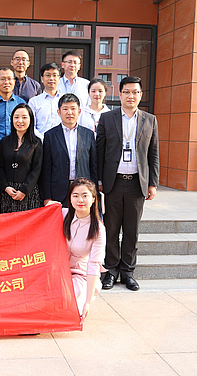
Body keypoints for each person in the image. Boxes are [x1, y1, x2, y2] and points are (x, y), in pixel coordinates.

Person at [96, 76, 159, 292]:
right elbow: (100, 151)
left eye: (135, 92)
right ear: (120, 94)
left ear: (140, 95)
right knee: (112, 229)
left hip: (136, 184)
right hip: (113, 183)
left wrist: (153, 183)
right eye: (126, 92)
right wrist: (99, 180)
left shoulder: (150, 120)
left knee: (132, 231)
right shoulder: (107, 118)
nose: (131, 96)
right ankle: (111, 271)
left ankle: (128, 273)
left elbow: (153, 154)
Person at [56, 178, 106, 323]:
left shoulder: (98, 230)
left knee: (68, 302)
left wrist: (88, 302)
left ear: (93, 199)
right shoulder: (62, 214)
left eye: (85, 195)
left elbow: (94, 266)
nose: (80, 200)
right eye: (75, 195)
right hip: (57, 270)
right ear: (70, 198)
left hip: (80, 275)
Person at [41, 93, 97, 207]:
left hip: (83, 190)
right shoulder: (50, 135)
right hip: (58, 191)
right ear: (59, 112)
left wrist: (94, 192)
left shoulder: (88, 134)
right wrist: (47, 197)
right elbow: (46, 168)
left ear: (79, 112)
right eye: (65, 109)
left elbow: (93, 166)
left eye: (73, 109)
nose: (69, 112)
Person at [0, 104, 43, 213]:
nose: (20, 121)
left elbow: (36, 169)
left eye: (24, 117)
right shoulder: (4, 142)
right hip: (8, 192)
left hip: (28, 192)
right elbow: (0, 166)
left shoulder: (36, 143)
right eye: (16, 117)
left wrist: (24, 190)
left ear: (30, 120)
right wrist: (5, 187)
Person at [28, 63, 63, 137]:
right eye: (48, 75)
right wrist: (43, 139)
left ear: (59, 79)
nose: (51, 78)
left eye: (54, 75)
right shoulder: (34, 102)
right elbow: (31, 126)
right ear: (42, 79)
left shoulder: (65, 100)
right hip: (40, 141)